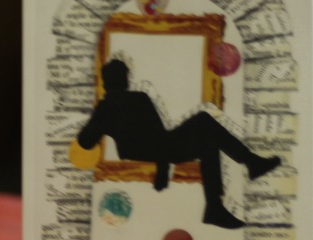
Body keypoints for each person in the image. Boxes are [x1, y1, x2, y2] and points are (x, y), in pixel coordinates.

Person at [74, 58, 281, 229]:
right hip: (161, 149)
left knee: (207, 139)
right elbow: (158, 134)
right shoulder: (139, 98)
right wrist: (163, 170)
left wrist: (101, 122)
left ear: (106, 83)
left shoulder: (104, 109)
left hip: (144, 151)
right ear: (124, 80)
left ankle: (217, 205)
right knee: (205, 123)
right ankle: (244, 169)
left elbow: (85, 142)